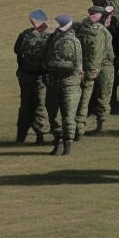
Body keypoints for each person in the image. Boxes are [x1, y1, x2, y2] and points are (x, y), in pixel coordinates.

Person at [43, 14, 83, 154]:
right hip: (54, 83)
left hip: (69, 84)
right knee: (52, 115)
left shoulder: (72, 41)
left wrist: (51, 64)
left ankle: (67, 145)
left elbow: (73, 65)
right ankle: (57, 141)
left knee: (68, 116)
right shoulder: (55, 39)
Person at [75, 5, 114, 136]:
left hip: (87, 68)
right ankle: (100, 125)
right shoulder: (101, 31)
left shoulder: (80, 28)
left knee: (85, 97)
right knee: (103, 96)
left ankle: (79, 125)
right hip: (104, 66)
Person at [13, 9, 50, 144]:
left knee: (25, 105)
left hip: (24, 76)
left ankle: (20, 136)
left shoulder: (24, 35)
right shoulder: (47, 37)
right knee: (40, 105)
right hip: (40, 77)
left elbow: (16, 50)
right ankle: (40, 136)